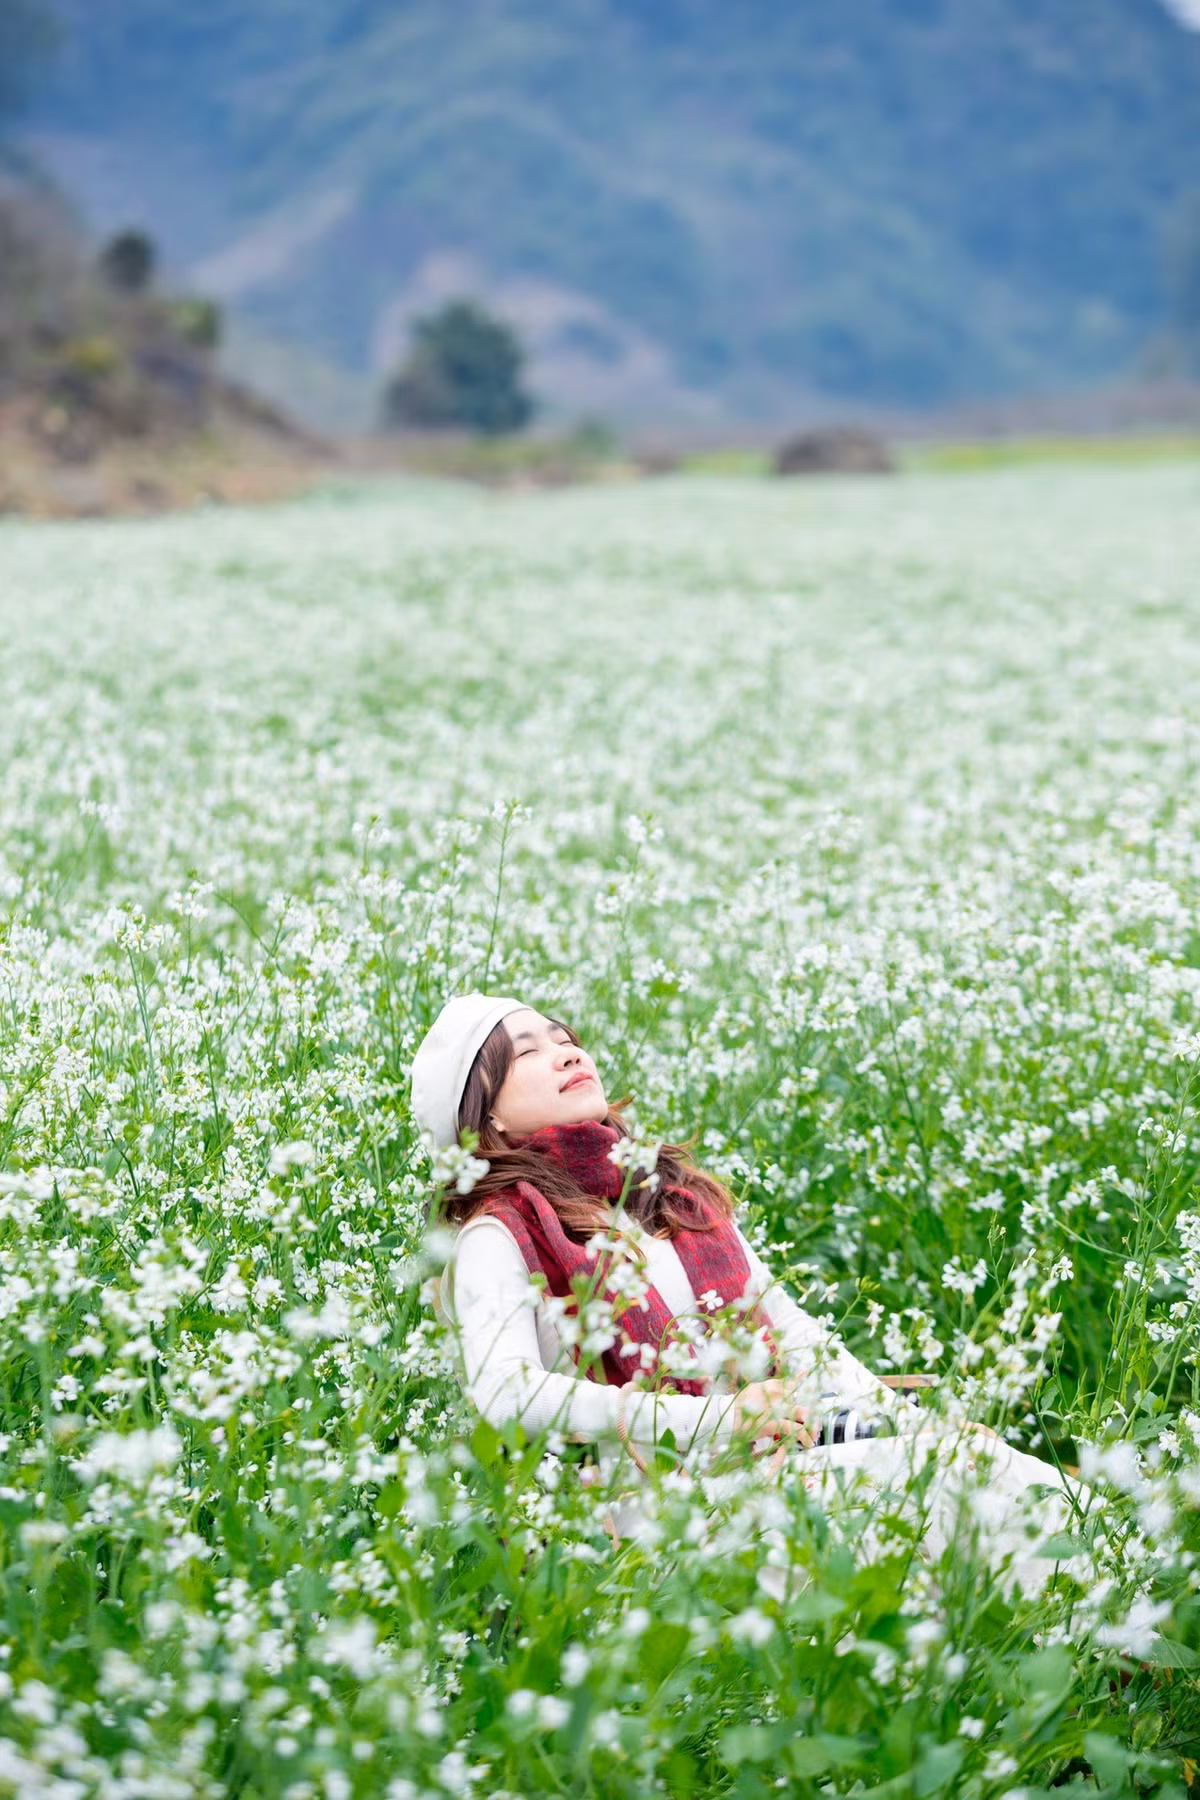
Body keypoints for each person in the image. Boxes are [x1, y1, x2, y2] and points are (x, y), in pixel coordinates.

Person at [413, 993, 1095, 1595]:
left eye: (564, 1038)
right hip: (644, 1520)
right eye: (527, 1052)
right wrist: (720, 1420)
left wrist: (920, 1425)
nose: (566, 1053)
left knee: (974, 1462)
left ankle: (1125, 1628)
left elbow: (795, 1336)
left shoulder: (669, 1197)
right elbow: (504, 1392)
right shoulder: (497, 1232)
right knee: (932, 1488)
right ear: (486, 1118)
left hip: (768, 1467)